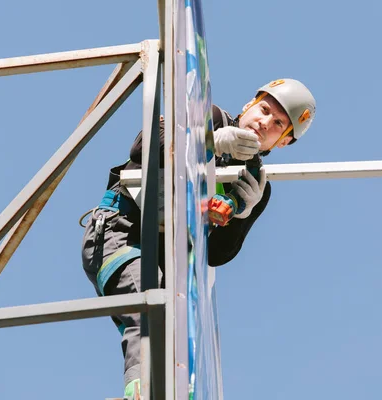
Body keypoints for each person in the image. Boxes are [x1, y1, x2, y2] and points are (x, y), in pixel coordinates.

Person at [80, 78, 316, 399]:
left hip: (160, 257)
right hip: (121, 229)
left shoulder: (255, 182)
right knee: (153, 316)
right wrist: (208, 142)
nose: (264, 123)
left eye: (278, 124)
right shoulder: (208, 117)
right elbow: (143, 146)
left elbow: (216, 254)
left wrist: (240, 213)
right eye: (264, 110)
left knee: (176, 337)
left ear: (283, 142)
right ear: (249, 104)